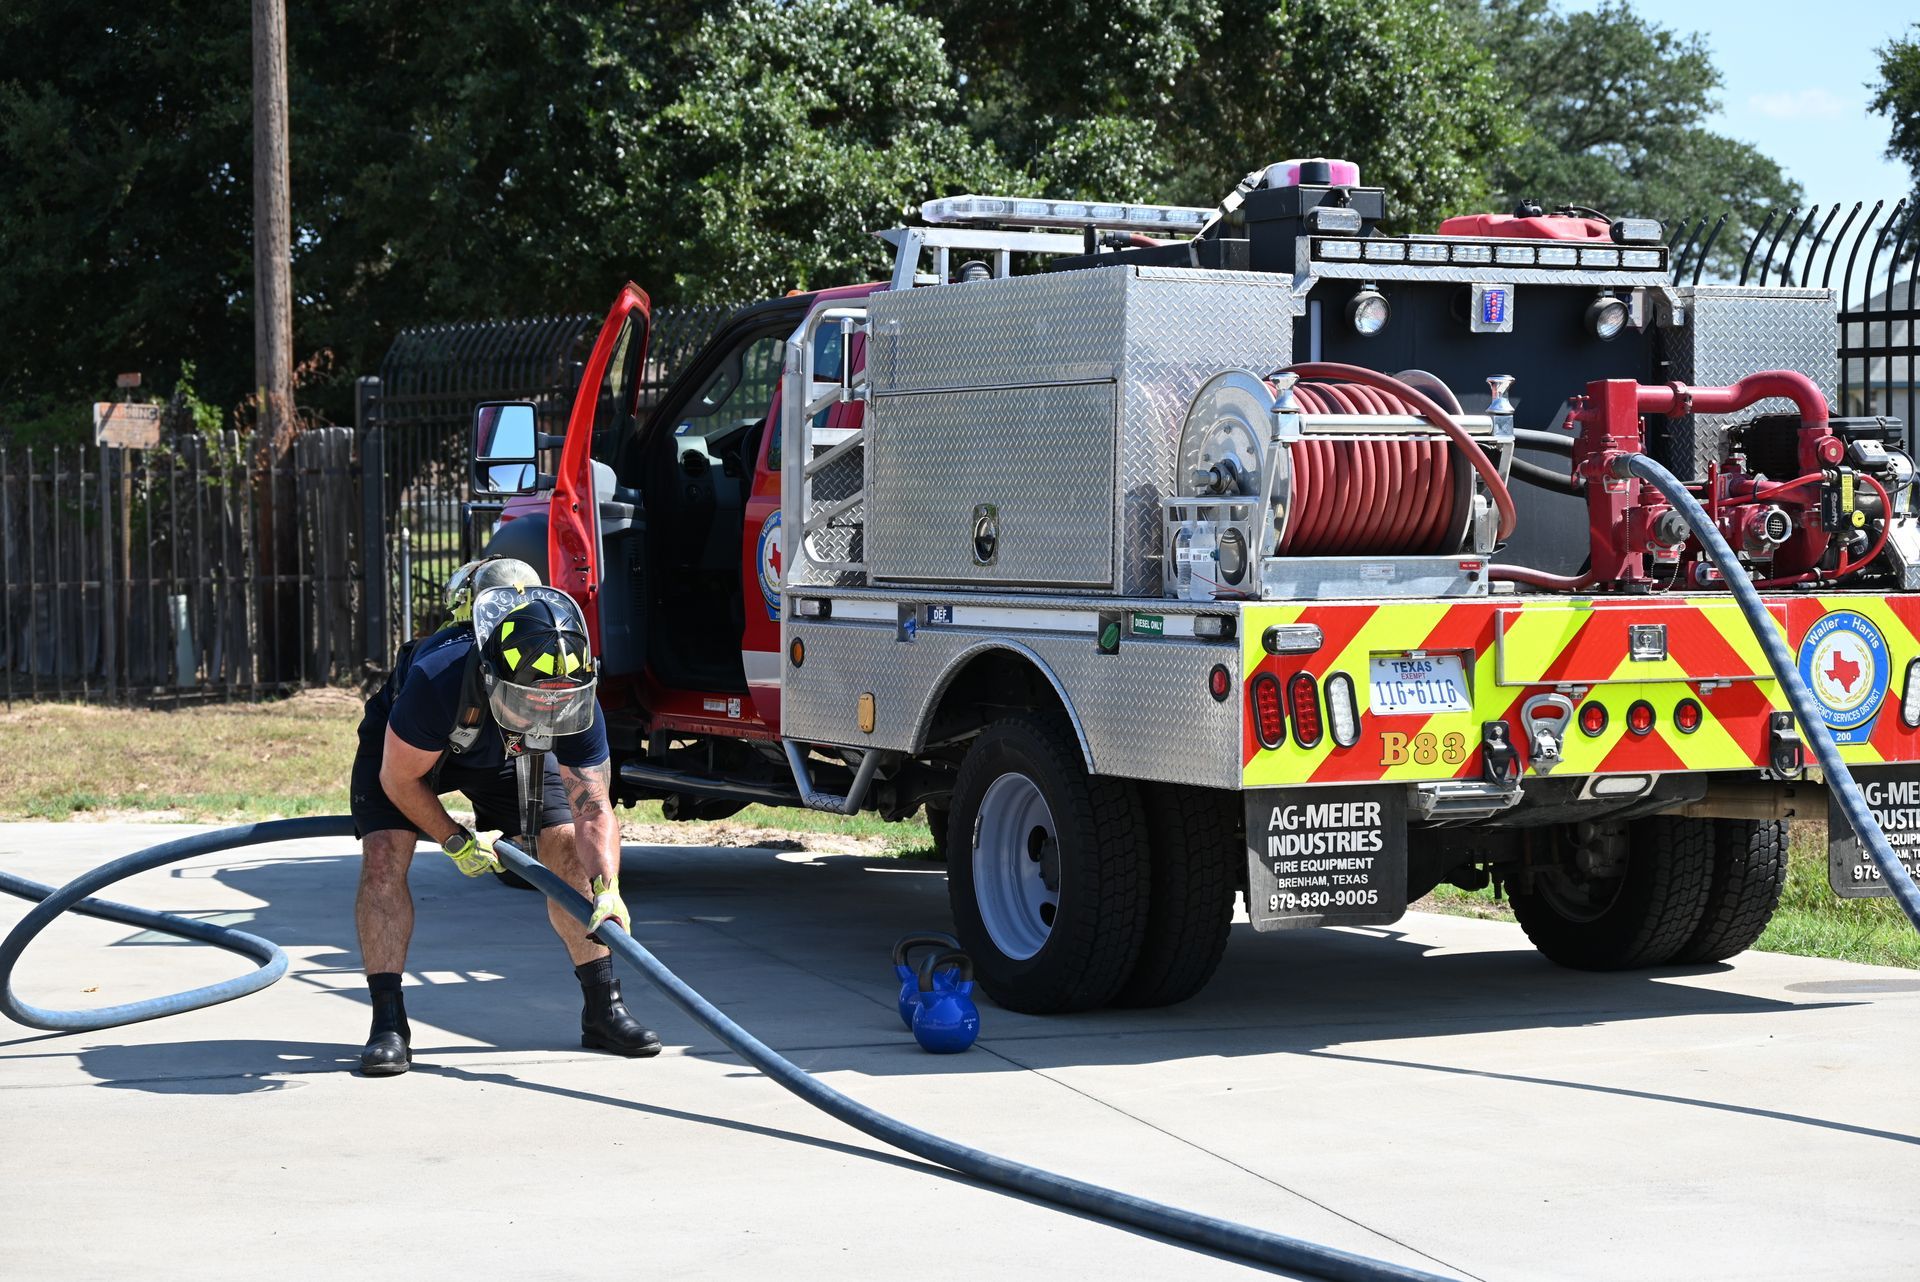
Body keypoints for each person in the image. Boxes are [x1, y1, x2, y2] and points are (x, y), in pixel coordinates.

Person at [349, 561, 658, 1076]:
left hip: (512, 754)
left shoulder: (573, 695)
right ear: (496, 675)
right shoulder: (437, 678)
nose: (548, 710)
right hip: (414, 752)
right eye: (535, 699)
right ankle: (388, 1023)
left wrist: (609, 888)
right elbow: (401, 781)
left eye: (558, 701)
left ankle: (603, 1009)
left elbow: (592, 806)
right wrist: (454, 840)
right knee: (384, 855)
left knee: (564, 849)